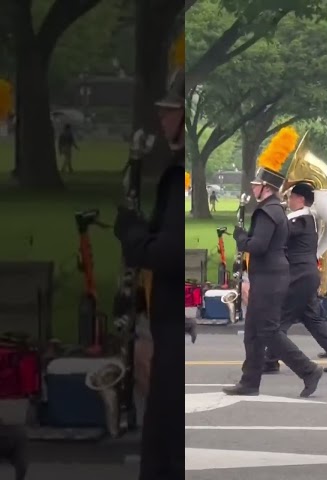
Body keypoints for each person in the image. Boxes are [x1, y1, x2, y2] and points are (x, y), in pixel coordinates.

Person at [113, 63, 185, 479]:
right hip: (167, 322)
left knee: (167, 447)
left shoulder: (179, 179)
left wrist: (133, 233)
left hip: (172, 329)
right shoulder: (175, 174)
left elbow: (165, 253)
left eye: (171, 110)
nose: (162, 117)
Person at [223, 127, 323, 398]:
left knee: (267, 331)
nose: (253, 187)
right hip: (270, 276)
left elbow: (258, 246)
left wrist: (241, 238)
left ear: (266, 187)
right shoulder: (274, 210)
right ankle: (249, 382)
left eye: (256, 184)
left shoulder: (268, 212)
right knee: (253, 333)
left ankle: (308, 370)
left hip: (270, 278)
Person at [264, 182, 327, 374]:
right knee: (314, 321)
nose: (289, 201)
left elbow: (278, 237)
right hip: (307, 276)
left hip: (298, 277)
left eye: (291, 197)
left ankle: (270, 359)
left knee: (279, 319)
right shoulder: (307, 220)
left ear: (300, 199)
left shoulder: (299, 220)